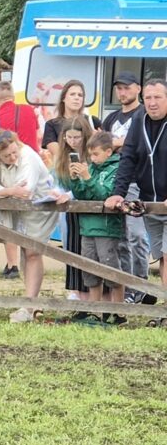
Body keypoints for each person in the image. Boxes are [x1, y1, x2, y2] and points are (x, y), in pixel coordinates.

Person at [0, 130, 62, 321]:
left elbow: (26, 191)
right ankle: (30, 302)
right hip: (15, 210)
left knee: (33, 252)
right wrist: (10, 190)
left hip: (39, 209)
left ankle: (29, 305)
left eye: (14, 152)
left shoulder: (29, 157)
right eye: (6, 156)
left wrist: (5, 191)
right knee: (25, 252)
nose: (12, 157)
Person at [106, 79, 167, 295]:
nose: (152, 103)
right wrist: (117, 193)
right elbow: (128, 158)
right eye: (148, 98)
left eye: (158, 97)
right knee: (161, 256)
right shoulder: (139, 119)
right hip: (150, 201)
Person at [101, 71, 150, 303]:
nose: (122, 92)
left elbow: (134, 147)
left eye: (127, 87)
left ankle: (140, 285)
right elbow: (101, 146)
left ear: (138, 88)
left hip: (137, 183)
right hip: (114, 183)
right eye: (119, 88)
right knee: (119, 238)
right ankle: (126, 286)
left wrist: (119, 143)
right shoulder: (111, 118)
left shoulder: (143, 114)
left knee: (137, 236)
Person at [69, 131, 125, 323]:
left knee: (110, 267)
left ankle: (118, 312)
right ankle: (95, 308)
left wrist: (87, 178)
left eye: (96, 154)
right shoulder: (91, 169)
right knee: (89, 269)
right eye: (90, 155)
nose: (92, 158)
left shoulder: (117, 169)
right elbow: (82, 195)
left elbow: (105, 194)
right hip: (87, 226)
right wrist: (76, 179)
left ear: (109, 152)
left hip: (108, 227)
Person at [0, 80, 42, 278]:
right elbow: (38, 134)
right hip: (31, 168)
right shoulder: (29, 111)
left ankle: (12, 264)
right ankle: (29, 256)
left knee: (9, 218)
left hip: (10, 169)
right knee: (29, 217)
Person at [51, 116, 95, 300]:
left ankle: (90, 291)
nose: (73, 142)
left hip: (86, 209)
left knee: (88, 251)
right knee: (71, 248)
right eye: (69, 137)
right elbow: (55, 179)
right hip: (68, 212)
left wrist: (70, 194)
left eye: (77, 137)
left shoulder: (92, 155)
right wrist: (55, 192)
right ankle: (75, 289)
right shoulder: (62, 157)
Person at [42, 79, 101, 158]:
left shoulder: (93, 121)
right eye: (72, 94)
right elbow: (58, 154)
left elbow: (103, 150)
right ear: (63, 98)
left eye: (80, 95)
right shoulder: (51, 125)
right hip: (64, 168)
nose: (76, 98)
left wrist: (97, 140)